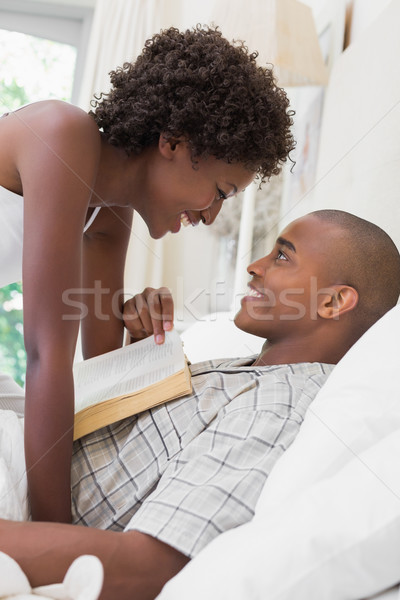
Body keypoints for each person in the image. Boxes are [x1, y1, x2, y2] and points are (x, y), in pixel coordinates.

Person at [1, 209, 399, 600]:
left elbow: (150, 567)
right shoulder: (245, 371)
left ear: (333, 303)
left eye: (282, 255)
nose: (254, 266)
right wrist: (140, 350)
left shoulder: (276, 408)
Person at [0, 25, 295, 523]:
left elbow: (96, 376)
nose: (210, 216)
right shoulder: (62, 133)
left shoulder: (108, 214)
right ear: (173, 142)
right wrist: (60, 537)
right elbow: (45, 354)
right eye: (221, 192)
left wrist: (136, 336)